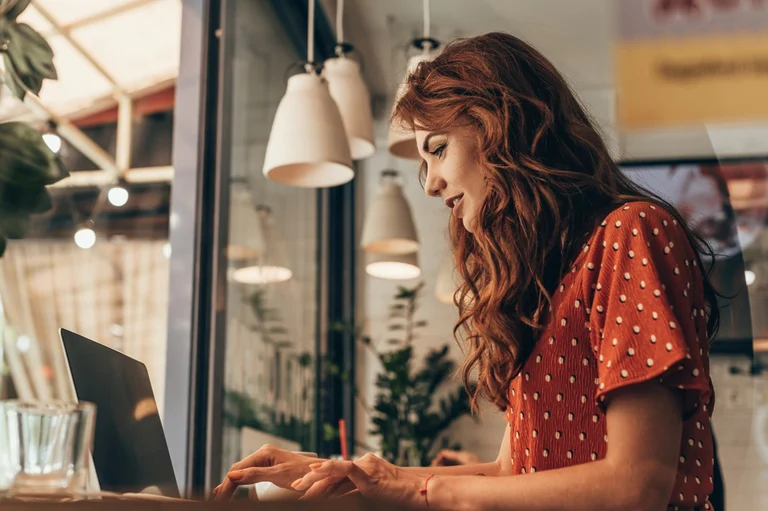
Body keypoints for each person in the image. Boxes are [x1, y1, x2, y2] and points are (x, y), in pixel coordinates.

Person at [215, 32, 721, 510]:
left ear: (503, 126)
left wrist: (420, 491)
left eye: (437, 149)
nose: (431, 185)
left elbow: (637, 484)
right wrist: (349, 473)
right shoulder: (548, 281)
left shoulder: (630, 232)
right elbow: (512, 472)